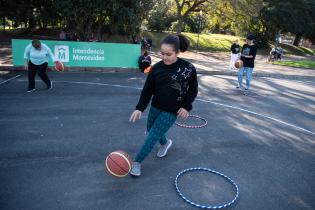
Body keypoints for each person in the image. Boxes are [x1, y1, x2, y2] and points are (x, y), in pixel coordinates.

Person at [129, 34, 198, 177]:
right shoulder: (156, 68)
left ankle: (137, 162)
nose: (165, 57)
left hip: (172, 110)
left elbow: (193, 90)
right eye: (162, 54)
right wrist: (139, 108)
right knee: (150, 128)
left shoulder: (188, 69)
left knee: (152, 135)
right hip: (156, 106)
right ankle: (165, 143)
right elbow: (147, 90)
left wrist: (186, 106)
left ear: (177, 52)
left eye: (169, 54)